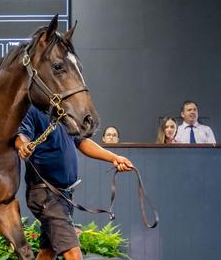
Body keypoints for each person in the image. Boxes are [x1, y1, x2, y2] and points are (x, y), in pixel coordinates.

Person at [15, 105, 133, 260]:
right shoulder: (33, 110)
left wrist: (114, 158)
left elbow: (82, 142)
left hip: (63, 195)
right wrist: (23, 145)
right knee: (73, 254)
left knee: (48, 252)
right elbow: (21, 136)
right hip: (46, 194)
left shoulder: (63, 113)